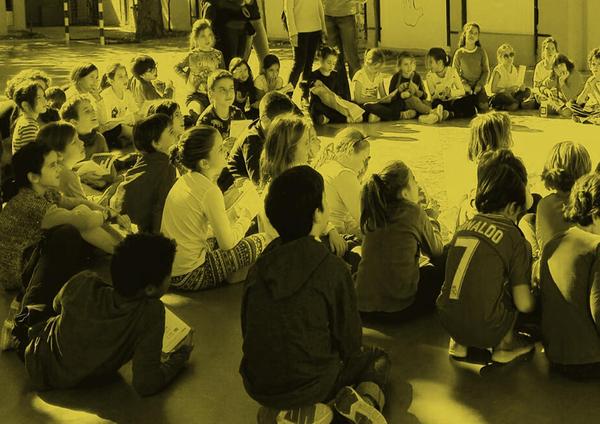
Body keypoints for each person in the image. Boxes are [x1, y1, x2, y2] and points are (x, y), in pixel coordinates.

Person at [241, 165, 390, 424]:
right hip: (314, 384)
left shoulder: (258, 269)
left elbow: (248, 331)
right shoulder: (332, 269)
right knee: (377, 358)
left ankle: (283, 412)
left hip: (261, 386)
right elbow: (350, 344)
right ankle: (353, 405)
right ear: (317, 213)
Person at [22, 233, 194, 396]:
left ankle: (22, 330)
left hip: (36, 359)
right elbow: (145, 384)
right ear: (150, 289)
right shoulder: (150, 313)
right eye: (169, 273)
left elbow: (56, 305)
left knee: (43, 318)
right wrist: (179, 358)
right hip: (76, 381)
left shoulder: (83, 282)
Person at [437, 149, 536, 364]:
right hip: (488, 328)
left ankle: (459, 343)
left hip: (448, 321)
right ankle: (505, 345)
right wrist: (537, 298)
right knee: (511, 286)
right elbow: (523, 304)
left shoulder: (463, 227)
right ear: (512, 207)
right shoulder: (514, 237)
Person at [0, 142, 121, 294]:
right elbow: (84, 221)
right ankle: (123, 251)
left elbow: (76, 203)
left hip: (35, 257)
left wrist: (107, 212)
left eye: (57, 163)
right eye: (52, 165)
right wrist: (107, 215)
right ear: (34, 177)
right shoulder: (30, 204)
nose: (59, 169)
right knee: (72, 228)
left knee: (81, 211)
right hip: (19, 274)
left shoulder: (45, 192)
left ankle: (123, 248)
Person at [161, 126, 267, 291]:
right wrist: (246, 216)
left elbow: (203, 228)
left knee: (227, 232)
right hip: (191, 275)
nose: (226, 150)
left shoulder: (185, 180)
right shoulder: (209, 191)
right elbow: (227, 244)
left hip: (170, 270)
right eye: (220, 149)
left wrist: (232, 217)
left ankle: (233, 273)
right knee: (264, 240)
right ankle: (235, 275)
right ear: (204, 163)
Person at [355, 161, 444, 321]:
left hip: (363, 307)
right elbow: (436, 251)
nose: (418, 185)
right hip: (398, 309)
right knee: (444, 260)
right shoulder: (414, 212)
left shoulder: (373, 211)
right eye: (414, 181)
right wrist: (432, 218)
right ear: (404, 193)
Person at [540, 173, 600, 379]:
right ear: (596, 214)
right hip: (590, 361)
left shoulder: (552, 244)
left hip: (555, 357)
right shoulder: (596, 247)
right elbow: (598, 309)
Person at [109, 114, 178, 234]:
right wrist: (158, 238)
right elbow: (160, 206)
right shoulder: (166, 167)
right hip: (141, 230)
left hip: (121, 219)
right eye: (171, 132)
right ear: (156, 143)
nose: (176, 133)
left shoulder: (144, 160)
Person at [218, 91, 296, 192]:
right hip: (236, 190)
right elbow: (260, 184)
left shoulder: (270, 130)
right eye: (283, 123)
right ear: (265, 119)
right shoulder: (252, 141)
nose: (288, 128)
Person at [529, 141, 591, 259]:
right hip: (586, 264)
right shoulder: (590, 203)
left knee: (526, 220)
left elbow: (544, 244)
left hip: (551, 266)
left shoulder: (545, 204)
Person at [456, 112, 513, 228]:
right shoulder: (509, 165)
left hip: (472, 216)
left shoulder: (472, 166)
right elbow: (526, 201)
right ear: (502, 139)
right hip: (499, 220)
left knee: (462, 203)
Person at [315, 127, 370, 239]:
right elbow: (365, 219)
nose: (364, 166)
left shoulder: (327, 166)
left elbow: (349, 218)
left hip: (323, 232)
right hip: (333, 237)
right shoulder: (344, 174)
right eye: (364, 159)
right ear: (350, 152)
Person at [174, 19, 225, 118]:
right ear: (196, 38)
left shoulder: (218, 54)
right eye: (203, 36)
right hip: (196, 95)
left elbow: (223, 74)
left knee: (216, 117)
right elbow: (176, 67)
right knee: (196, 114)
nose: (207, 39)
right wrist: (187, 78)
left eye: (210, 35)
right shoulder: (192, 55)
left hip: (214, 95)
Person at [305, 46, 360, 124]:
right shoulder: (314, 75)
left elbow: (338, 92)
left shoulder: (335, 75)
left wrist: (340, 98)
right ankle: (342, 119)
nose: (331, 66)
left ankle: (328, 119)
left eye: (334, 63)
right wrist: (313, 83)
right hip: (319, 104)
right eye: (329, 63)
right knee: (317, 107)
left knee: (344, 105)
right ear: (321, 60)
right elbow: (306, 87)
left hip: (333, 104)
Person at [389, 51, 445, 124]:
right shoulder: (396, 77)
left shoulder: (416, 76)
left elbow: (424, 95)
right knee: (413, 99)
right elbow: (391, 95)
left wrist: (417, 91)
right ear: (400, 66)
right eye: (406, 64)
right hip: (402, 103)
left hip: (417, 103)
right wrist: (400, 95)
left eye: (411, 63)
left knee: (426, 102)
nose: (409, 67)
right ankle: (433, 112)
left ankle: (425, 116)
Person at [283, 0, 327, 91]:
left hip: (316, 28)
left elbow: (319, 4)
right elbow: (288, 9)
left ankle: (305, 94)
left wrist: (323, 27)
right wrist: (292, 32)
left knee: (309, 64)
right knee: (299, 65)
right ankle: (287, 95)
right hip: (300, 31)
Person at [424, 48, 477, 120]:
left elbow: (462, 91)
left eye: (431, 62)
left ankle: (448, 114)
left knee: (470, 99)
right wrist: (441, 93)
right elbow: (433, 95)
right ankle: (451, 114)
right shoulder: (429, 76)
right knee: (436, 103)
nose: (429, 65)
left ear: (440, 62)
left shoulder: (452, 71)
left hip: (452, 101)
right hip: (440, 102)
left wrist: (451, 92)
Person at [323, 0, 361, 100]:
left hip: (347, 14)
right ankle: (343, 97)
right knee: (335, 59)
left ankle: (360, 96)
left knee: (352, 58)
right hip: (327, 14)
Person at [196, 70, 246, 144]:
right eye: (223, 90)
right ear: (211, 93)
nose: (228, 93)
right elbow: (201, 150)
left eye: (231, 88)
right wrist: (221, 148)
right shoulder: (204, 123)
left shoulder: (237, 113)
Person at [352, 48, 401, 122]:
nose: (377, 70)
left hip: (375, 104)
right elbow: (358, 99)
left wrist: (389, 98)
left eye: (379, 68)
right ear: (367, 63)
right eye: (375, 68)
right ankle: (399, 115)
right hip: (363, 105)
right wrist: (377, 100)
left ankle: (376, 116)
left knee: (395, 104)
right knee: (373, 107)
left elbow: (383, 95)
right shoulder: (360, 75)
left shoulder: (379, 75)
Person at [98, 63, 140, 149]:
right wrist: (126, 120)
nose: (125, 79)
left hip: (120, 128)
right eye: (120, 77)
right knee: (134, 134)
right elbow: (106, 123)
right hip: (107, 131)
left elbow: (136, 114)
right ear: (111, 81)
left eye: (125, 75)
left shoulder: (127, 93)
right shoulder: (106, 96)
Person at [452, 22, 490, 112]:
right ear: (465, 33)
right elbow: (454, 72)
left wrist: (480, 85)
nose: (472, 35)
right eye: (470, 32)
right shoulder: (459, 53)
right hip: (465, 87)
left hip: (478, 87)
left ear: (478, 37)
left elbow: (486, 71)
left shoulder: (481, 52)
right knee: (467, 108)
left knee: (484, 107)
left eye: (475, 33)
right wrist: (463, 84)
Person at [60, 95, 109, 160]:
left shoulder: (99, 139)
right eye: (87, 111)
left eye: (93, 109)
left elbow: (108, 164)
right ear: (74, 122)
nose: (93, 112)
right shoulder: (68, 145)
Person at [489, 44, 532, 111]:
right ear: (500, 58)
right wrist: (507, 89)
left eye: (511, 55)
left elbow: (515, 86)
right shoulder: (499, 70)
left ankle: (515, 104)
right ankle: (512, 105)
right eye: (506, 56)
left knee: (527, 90)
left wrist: (520, 88)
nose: (509, 58)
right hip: (500, 95)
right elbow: (493, 89)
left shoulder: (514, 69)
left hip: (511, 95)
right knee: (505, 97)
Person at [11, 81, 47, 154]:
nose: (44, 101)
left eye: (43, 96)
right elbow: (32, 156)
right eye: (38, 98)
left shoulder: (24, 120)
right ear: (25, 105)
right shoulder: (29, 126)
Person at [570, 47, 600, 124]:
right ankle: (592, 117)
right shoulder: (590, 80)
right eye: (593, 64)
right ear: (590, 67)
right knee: (572, 105)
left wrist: (594, 87)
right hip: (592, 108)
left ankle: (592, 118)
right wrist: (587, 89)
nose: (596, 67)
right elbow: (579, 101)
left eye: (599, 64)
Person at [533, 37, 559, 106]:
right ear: (543, 51)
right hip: (542, 94)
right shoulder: (539, 66)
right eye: (547, 48)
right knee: (527, 104)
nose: (550, 51)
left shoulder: (559, 66)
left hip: (556, 95)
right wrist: (540, 95)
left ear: (556, 51)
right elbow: (536, 87)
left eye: (553, 49)